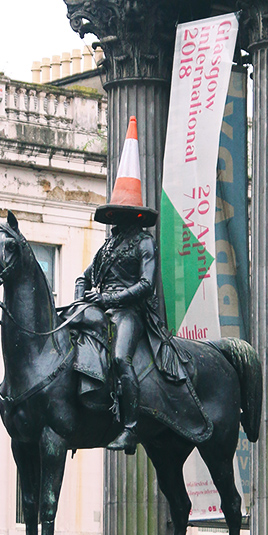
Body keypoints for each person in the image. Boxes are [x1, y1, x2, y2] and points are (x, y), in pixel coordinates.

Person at [76, 115, 181, 455]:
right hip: (101, 309)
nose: (117, 218)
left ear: (133, 213)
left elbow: (146, 285)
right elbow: (83, 276)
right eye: (115, 212)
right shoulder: (107, 246)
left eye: (122, 211)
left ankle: (132, 426)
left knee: (122, 358)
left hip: (130, 313)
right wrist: (81, 299)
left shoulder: (144, 243)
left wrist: (110, 298)